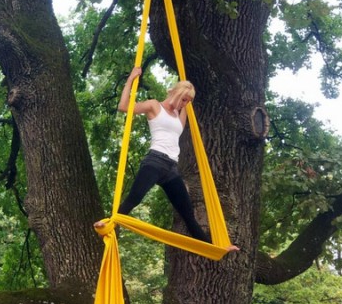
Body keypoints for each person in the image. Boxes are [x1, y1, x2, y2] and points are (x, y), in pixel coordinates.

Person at [96, 67, 238, 252]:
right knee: (134, 199)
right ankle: (108, 224)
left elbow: (182, 118)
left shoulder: (180, 114)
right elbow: (124, 107)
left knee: (188, 214)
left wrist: (186, 104)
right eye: (185, 99)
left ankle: (216, 248)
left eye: (189, 101)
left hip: (171, 169)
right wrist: (131, 79)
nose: (185, 104)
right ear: (177, 94)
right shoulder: (154, 106)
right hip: (154, 161)